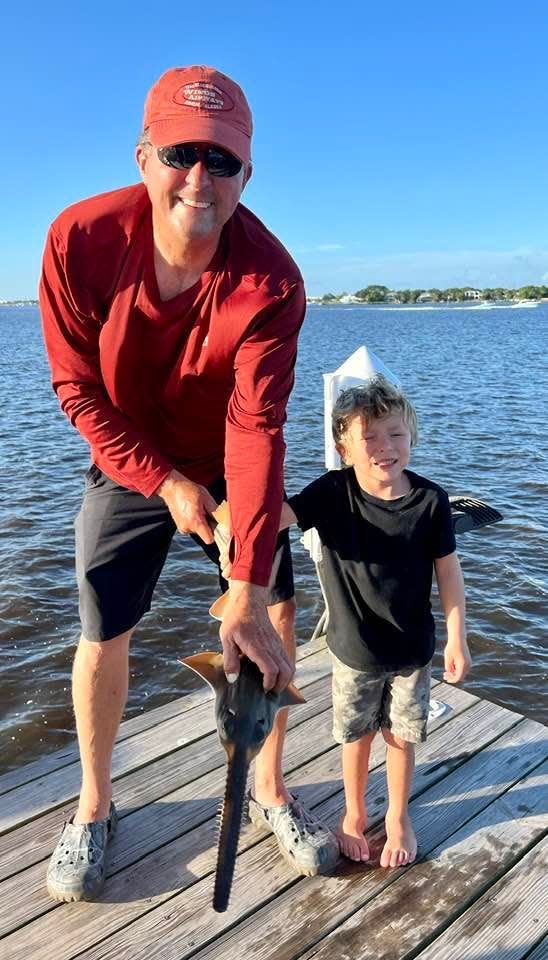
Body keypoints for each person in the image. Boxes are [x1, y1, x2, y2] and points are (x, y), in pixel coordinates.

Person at [40, 64, 338, 903]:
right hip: (128, 453)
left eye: (224, 160)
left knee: (271, 606)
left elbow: (256, 425)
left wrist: (242, 581)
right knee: (103, 625)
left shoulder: (272, 279)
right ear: (143, 156)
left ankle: (270, 791)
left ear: (248, 173)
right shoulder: (79, 239)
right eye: (181, 153)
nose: (200, 179)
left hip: (228, 455)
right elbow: (77, 392)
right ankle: (95, 806)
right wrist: (164, 483)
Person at [277, 376, 471, 866]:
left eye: (396, 434)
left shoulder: (432, 501)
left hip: (412, 651)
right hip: (354, 653)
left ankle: (399, 814)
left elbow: (448, 571)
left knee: (402, 737)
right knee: (356, 736)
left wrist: (456, 638)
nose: (385, 447)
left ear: (412, 436)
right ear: (344, 448)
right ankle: (355, 812)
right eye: (369, 438)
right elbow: (276, 517)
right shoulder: (330, 492)